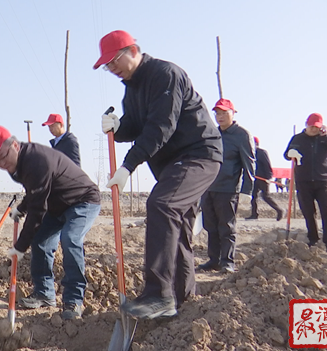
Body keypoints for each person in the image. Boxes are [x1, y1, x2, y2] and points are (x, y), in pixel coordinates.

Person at [94, 30, 222, 319]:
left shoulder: (165, 74)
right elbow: (138, 126)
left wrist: (127, 166)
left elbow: (160, 127)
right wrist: (117, 126)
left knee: (162, 205)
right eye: (107, 65)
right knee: (179, 232)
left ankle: (158, 296)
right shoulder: (132, 88)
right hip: (171, 165)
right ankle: (183, 301)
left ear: (133, 50)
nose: (112, 68)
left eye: (114, 60)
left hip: (198, 154)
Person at [0, 126, 100, 320]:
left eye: (3, 156)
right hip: (56, 204)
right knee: (40, 241)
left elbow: (38, 210)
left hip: (82, 200)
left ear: (15, 145)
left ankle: (73, 300)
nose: (2, 163)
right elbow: (36, 190)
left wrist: (20, 246)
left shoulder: (37, 160)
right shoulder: (17, 165)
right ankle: (44, 293)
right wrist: (21, 207)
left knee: (70, 239)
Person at [198, 99, 255, 274]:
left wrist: (247, 190)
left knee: (226, 227)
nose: (220, 116)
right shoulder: (212, 133)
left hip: (228, 189)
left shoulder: (242, 135)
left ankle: (227, 261)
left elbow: (249, 164)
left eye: (224, 113)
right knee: (211, 226)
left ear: (233, 113)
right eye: (217, 113)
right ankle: (214, 260)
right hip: (208, 188)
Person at [284, 113, 327, 253]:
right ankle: (313, 240)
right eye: (312, 127)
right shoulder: (297, 138)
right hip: (303, 181)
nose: (314, 130)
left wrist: (326, 136)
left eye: (317, 127)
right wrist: (290, 153)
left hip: (323, 180)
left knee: (326, 211)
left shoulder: (325, 138)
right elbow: (286, 155)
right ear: (306, 124)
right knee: (308, 212)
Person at [246, 136, 284, 221]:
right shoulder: (249, 153)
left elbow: (267, 165)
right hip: (254, 178)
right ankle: (254, 214)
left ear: (256, 144)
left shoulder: (261, 152)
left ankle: (280, 210)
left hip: (263, 178)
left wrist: (269, 177)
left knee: (265, 196)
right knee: (253, 196)